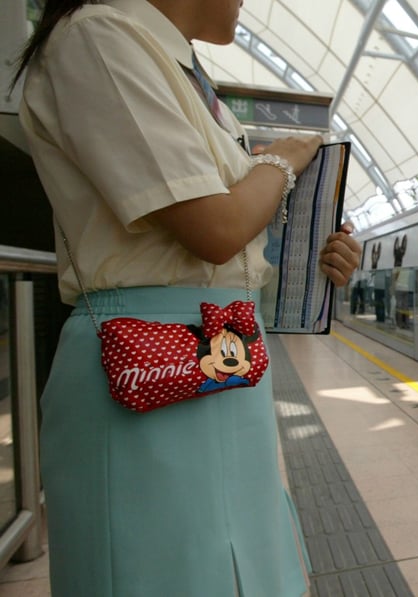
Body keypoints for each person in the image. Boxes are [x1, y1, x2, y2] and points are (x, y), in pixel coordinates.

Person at [11, 1, 361, 595]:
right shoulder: (98, 36)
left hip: (224, 354)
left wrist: (318, 259)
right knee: (160, 569)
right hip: (140, 367)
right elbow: (215, 230)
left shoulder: (192, 80)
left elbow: (226, 255)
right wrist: (282, 161)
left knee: (243, 569)